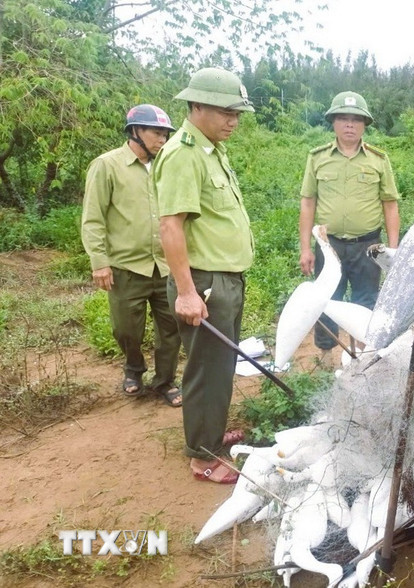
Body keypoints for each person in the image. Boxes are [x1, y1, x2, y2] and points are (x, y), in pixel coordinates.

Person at [154, 68, 254, 484]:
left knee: (219, 366)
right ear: (197, 105)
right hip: (204, 283)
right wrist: (186, 292)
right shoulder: (184, 154)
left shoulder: (211, 149)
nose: (233, 121)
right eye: (226, 112)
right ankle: (203, 458)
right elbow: (170, 226)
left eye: (237, 114)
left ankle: (210, 435)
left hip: (223, 280)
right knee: (206, 371)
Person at [81, 104, 182, 407]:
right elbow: (93, 218)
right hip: (126, 266)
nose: (162, 139)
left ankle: (165, 381)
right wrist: (100, 263)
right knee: (126, 329)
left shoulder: (167, 165)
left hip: (166, 265)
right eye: (156, 133)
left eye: (165, 134)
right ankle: (134, 369)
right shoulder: (107, 165)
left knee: (172, 329)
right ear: (135, 131)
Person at [298, 91, 400, 351]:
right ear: (333, 122)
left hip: (368, 246)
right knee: (326, 300)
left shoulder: (378, 159)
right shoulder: (318, 157)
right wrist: (305, 248)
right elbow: (308, 202)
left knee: (366, 302)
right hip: (328, 245)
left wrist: (393, 249)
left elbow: (390, 205)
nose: (350, 125)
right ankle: (325, 355)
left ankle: (365, 356)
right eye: (343, 119)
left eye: (356, 120)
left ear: (364, 124)